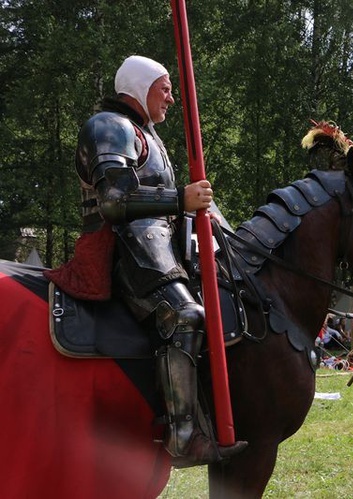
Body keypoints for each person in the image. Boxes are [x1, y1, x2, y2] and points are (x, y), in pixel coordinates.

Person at [44, 55, 246, 465]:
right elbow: (114, 201)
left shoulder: (145, 135)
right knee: (185, 316)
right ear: (138, 86)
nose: (171, 98)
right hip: (123, 249)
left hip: (160, 248)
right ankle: (182, 435)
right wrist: (180, 198)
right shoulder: (109, 127)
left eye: (172, 88)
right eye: (165, 88)